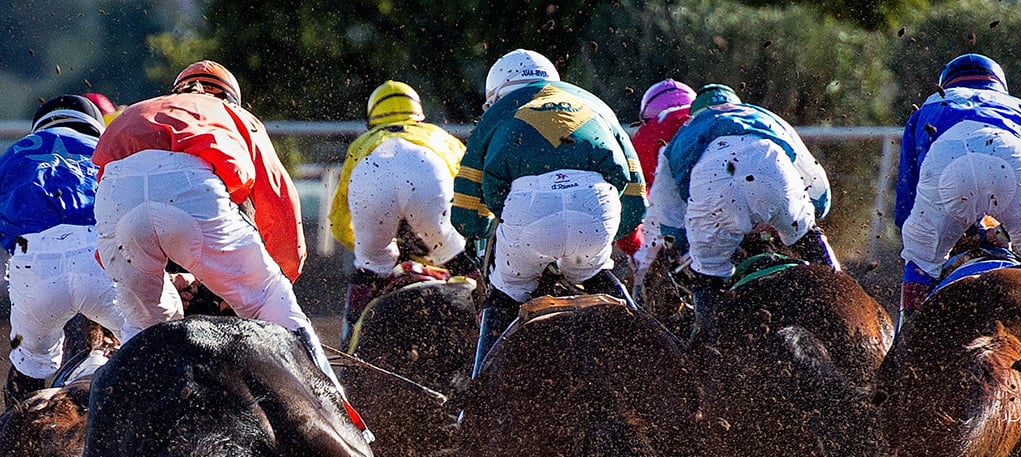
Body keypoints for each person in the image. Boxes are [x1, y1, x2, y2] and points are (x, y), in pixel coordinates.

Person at [91, 60, 369, 434]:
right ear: (231, 97)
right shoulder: (234, 116)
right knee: (272, 298)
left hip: (115, 203)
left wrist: (131, 270)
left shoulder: (138, 111)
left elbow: (110, 211)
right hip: (191, 194)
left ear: (178, 91)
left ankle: (109, 430)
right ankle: (339, 417)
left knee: (143, 330)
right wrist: (278, 277)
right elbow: (278, 203)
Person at [451, 48, 647, 377]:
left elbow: (468, 212)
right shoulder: (594, 104)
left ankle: (476, 391)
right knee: (597, 276)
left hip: (528, 217)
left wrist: (484, 228)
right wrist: (613, 233)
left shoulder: (496, 114)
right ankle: (649, 356)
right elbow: (636, 196)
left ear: (496, 95)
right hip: (596, 207)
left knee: (504, 295)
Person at [894, 53, 1021, 327]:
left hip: (945, 165)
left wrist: (929, 239)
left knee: (921, 260)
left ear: (948, 84)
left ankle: (903, 343)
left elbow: (905, 207)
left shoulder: (925, 112)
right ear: (998, 85)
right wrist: (1020, 231)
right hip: (1011, 160)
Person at [648, 83, 837, 328]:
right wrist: (804, 222)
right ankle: (835, 288)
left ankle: (706, 340)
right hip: (773, 174)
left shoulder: (682, 134)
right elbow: (820, 194)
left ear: (695, 113)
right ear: (736, 104)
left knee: (708, 277)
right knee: (810, 239)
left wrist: (690, 248)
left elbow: (669, 221)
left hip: (714, 193)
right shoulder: (765, 117)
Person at [0, 94, 124, 406]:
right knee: (159, 340)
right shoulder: (112, 153)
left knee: (27, 368)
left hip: (34, 272)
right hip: (99, 263)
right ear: (94, 126)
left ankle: (14, 440)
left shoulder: (13, 153)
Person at [329, 80, 468, 352]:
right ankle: (483, 345)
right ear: (418, 114)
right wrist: (462, 247)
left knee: (368, 268)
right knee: (465, 266)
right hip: (431, 189)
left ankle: (348, 351)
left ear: (372, 119)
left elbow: (338, 220)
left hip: (372, 177)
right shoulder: (441, 137)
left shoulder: (361, 144)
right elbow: (471, 195)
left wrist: (369, 251)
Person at [616, 78, 696, 287]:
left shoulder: (648, 133)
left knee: (644, 272)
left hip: (680, 212)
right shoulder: (708, 116)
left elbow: (629, 201)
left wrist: (632, 247)